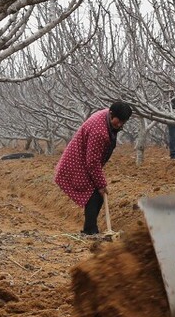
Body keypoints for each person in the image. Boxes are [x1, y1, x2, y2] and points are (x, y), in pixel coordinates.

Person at [54, 101, 133, 236]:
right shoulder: (99, 132)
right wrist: (101, 184)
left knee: (96, 195)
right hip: (77, 163)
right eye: (118, 121)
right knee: (94, 195)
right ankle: (90, 231)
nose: (120, 125)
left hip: (83, 159)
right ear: (111, 114)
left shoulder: (106, 116)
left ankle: (90, 229)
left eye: (123, 123)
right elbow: (92, 162)